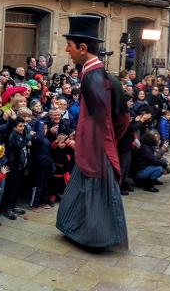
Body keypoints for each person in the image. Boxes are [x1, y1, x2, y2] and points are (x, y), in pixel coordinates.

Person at [56, 15, 130, 249]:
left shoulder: (93, 78)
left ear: (83, 48)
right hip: (92, 147)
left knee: (95, 194)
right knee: (82, 191)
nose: (67, 50)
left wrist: (99, 145)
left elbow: (105, 121)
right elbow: (119, 118)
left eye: (70, 45)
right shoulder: (95, 74)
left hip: (96, 151)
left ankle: (96, 237)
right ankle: (78, 231)